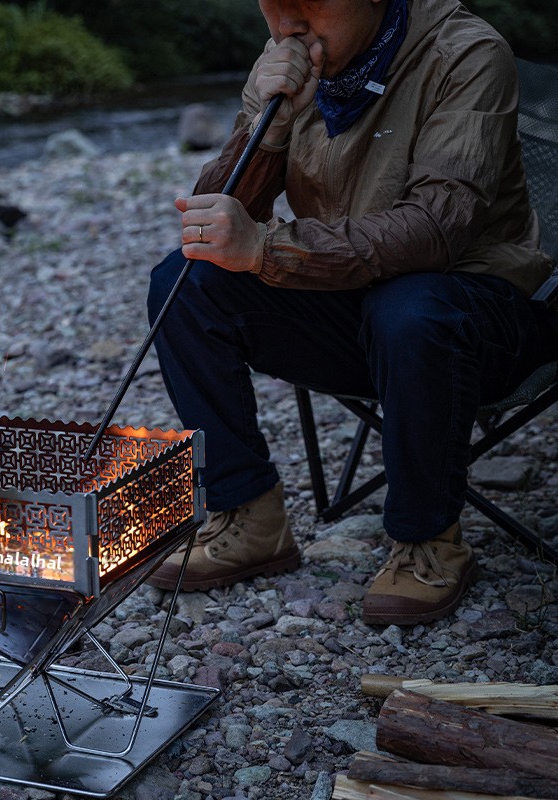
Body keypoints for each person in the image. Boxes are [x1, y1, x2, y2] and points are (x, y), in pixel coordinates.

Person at [146, 0, 558, 625]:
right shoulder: (289, 55)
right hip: (350, 306)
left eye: (306, 8)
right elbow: (217, 215)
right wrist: (269, 119)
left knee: (410, 308)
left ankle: (428, 541)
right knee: (186, 279)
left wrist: (269, 249)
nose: (288, 28)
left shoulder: (466, 53)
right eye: (273, 11)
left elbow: (435, 230)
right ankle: (249, 514)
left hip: (476, 314)